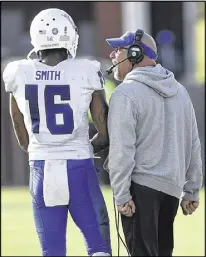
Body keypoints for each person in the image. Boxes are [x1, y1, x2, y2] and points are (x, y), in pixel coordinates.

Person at [3, 8, 111, 257]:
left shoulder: (19, 71)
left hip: (41, 167)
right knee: (99, 248)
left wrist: (40, 148)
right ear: (69, 36)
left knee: (52, 251)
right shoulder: (85, 69)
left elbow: (18, 122)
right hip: (79, 167)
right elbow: (104, 132)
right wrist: (84, 147)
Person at [105, 29, 203, 256]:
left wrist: (121, 195)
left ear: (136, 53)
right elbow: (193, 144)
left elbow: (122, 151)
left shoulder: (125, 93)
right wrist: (192, 190)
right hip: (171, 190)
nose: (112, 56)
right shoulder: (180, 91)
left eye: (118, 50)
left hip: (140, 191)